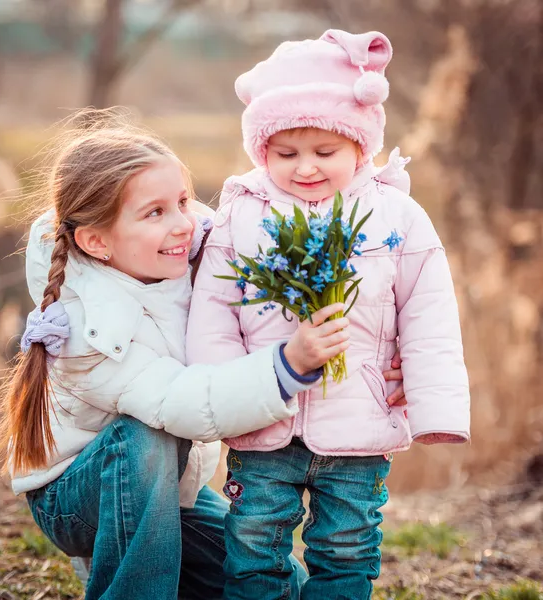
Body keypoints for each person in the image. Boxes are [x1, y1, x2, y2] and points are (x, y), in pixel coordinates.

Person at [0, 113, 359, 600]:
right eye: (155, 213)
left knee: (287, 586)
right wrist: (287, 366)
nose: (184, 223)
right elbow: (184, 401)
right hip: (76, 499)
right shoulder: (88, 332)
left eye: (182, 201)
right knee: (146, 436)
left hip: (173, 494)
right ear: (97, 242)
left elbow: (265, 308)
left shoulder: (178, 258)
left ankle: (157, 562)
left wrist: (371, 358)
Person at [187, 29, 470, 599]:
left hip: (359, 424)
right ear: (260, 148)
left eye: (326, 152)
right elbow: (214, 314)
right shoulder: (241, 215)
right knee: (253, 546)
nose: (305, 168)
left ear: (361, 146)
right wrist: (225, 398)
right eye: (285, 153)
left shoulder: (396, 214)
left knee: (347, 548)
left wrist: (433, 405)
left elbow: (430, 317)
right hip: (262, 426)